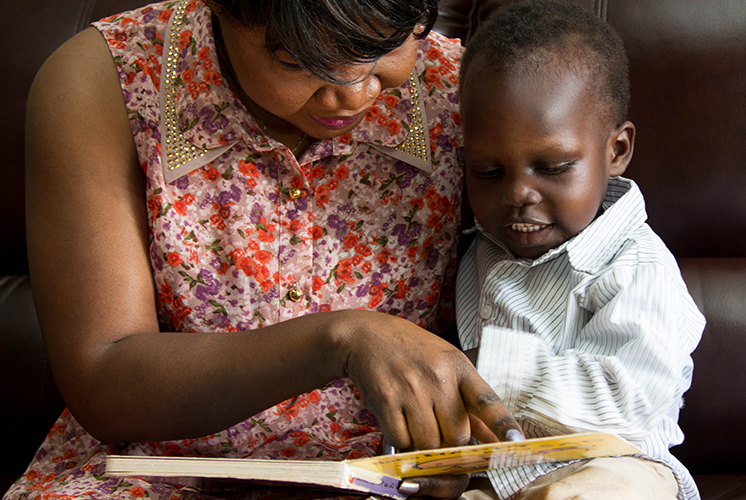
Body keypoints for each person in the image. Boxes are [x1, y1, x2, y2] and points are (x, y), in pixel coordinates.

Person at [5, 1, 524, 499]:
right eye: (297, 61)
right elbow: (105, 382)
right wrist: (339, 339)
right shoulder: (107, 79)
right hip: (151, 468)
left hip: (387, 470)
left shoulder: (465, 86)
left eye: (387, 47)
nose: (354, 94)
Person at [455, 1, 705, 499]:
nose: (517, 194)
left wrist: (490, 368)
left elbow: (627, 400)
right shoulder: (482, 248)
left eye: (551, 167)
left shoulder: (637, 266)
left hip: (622, 467)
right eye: (488, 172)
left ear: (616, 150)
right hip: (502, 477)